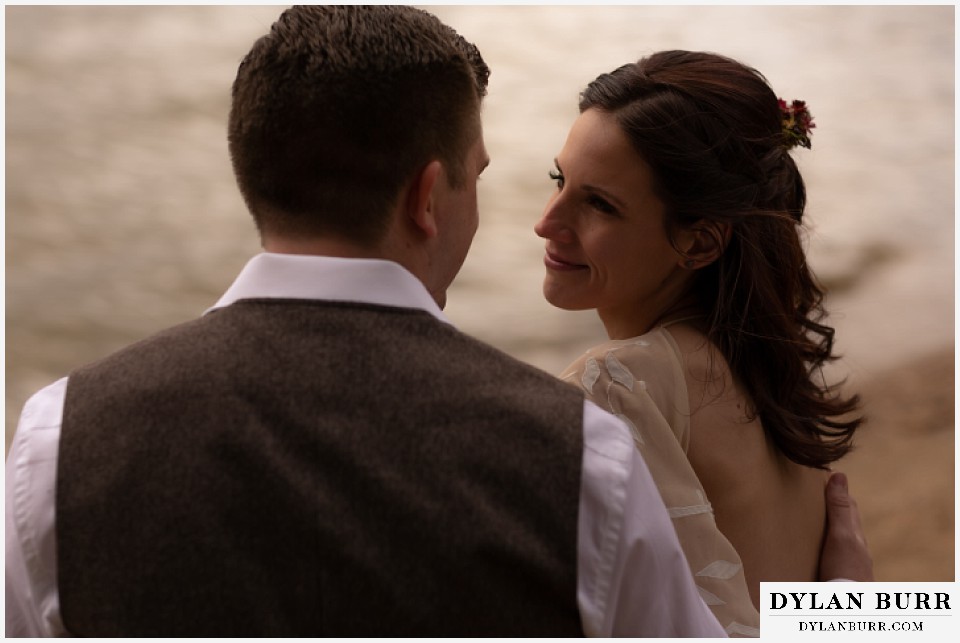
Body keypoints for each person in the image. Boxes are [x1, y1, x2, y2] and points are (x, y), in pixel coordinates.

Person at [5, 8, 871, 637]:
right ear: (429, 195)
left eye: (596, 201)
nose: (543, 221)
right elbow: (789, 603)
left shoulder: (54, 434)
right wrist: (867, 618)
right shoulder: (755, 383)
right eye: (539, 177)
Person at [534, 50, 865, 636]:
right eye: (560, 181)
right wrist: (853, 603)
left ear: (700, 243)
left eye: (600, 204)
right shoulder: (775, 380)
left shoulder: (614, 385)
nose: (547, 221)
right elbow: (806, 618)